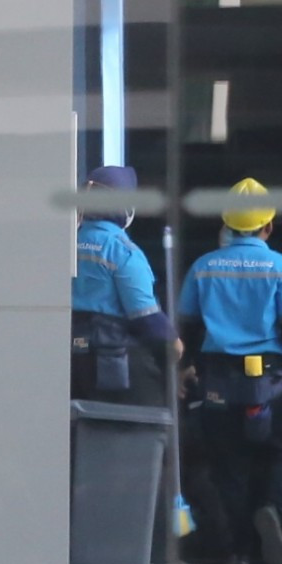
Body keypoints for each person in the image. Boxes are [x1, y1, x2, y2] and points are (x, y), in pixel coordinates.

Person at [178, 178, 282, 564]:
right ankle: (272, 508)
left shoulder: (203, 267)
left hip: (217, 377)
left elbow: (188, 325)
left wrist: (185, 367)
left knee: (228, 464)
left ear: (226, 223)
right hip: (269, 379)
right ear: (268, 226)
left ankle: (238, 551)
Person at [71, 165, 181, 406]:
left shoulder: (67, 243)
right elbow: (146, 316)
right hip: (109, 365)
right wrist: (174, 345)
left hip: (68, 362)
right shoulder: (123, 251)